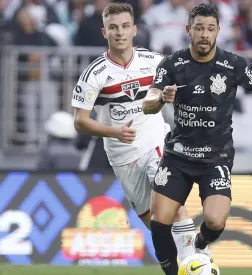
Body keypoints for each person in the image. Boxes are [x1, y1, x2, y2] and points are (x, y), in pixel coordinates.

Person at [142, 3, 252, 275]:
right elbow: (148, 102)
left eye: (210, 29)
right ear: (188, 30)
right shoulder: (173, 63)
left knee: (216, 221)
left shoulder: (233, 64)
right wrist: (161, 98)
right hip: (177, 156)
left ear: (218, 31)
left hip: (216, 157)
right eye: (199, 28)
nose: (204, 34)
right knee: (159, 223)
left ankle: (200, 244)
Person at [71, 2, 198, 263]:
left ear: (134, 30)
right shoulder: (94, 74)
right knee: (158, 228)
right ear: (104, 33)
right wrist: (113, 132)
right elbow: (80, 121)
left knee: (173, 206)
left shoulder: (153, 62)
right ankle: (194, 259)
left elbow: (180, 88)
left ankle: (197, 264)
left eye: (125, 26)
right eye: (113, 27)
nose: (120, 32)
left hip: (156, 144)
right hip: (122, 157)